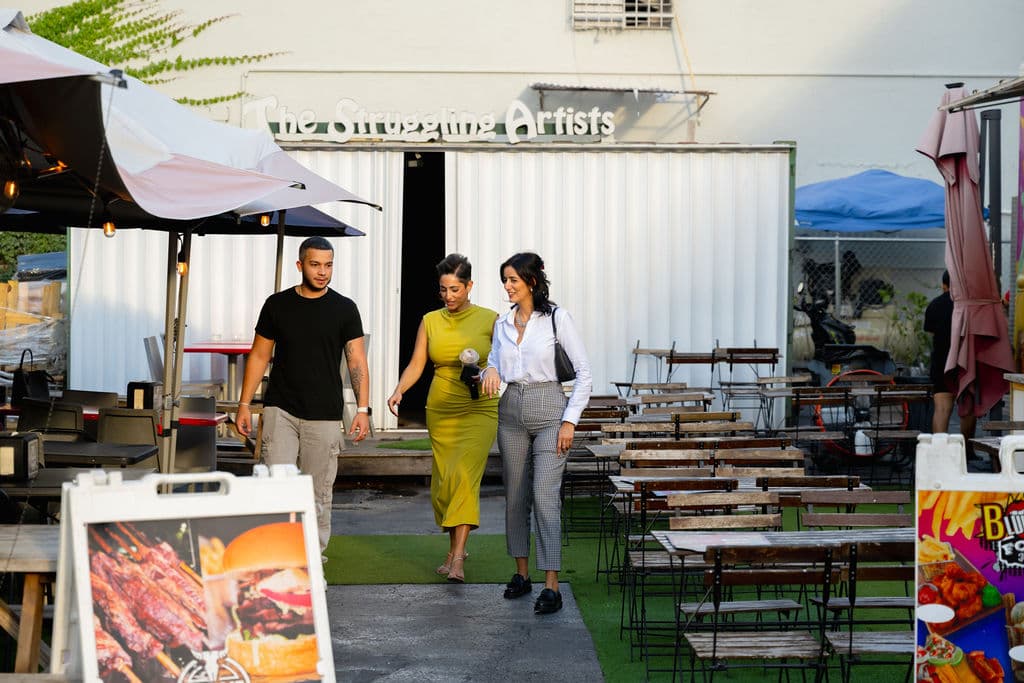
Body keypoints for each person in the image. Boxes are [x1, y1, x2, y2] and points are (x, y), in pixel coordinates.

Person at [235, 236, 370, 556]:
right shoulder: (277, 305)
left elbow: (357, 360)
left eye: (328, 265)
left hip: (324, 413)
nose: (323, 272)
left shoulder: (344, 309)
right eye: (315, 264)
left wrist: (363, 409)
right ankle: (276, 554)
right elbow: (258, 356)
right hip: (281, 409)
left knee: (318, 492)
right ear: (300, 265)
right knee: (275, 485)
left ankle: (311, 555)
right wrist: (244, 404)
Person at [480, 252, 592, 615]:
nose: (507, 287)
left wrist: (570, 421)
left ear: (531, 281)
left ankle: (552, 585)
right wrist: (488, 373)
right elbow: (494, 362)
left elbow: (584, 373)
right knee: (514, 496)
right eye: (505, 280)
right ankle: (521, 574)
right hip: (510, 407)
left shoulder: (558, 319)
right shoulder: (502, 323)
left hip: (549, 409)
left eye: (512, 280)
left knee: (544, 496)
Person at [386, 254, 498, 583]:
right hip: (441, 408)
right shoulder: (430, 320)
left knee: (464, 478)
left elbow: (507, 359)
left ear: (470, 286)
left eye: (455, 290)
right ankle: (452, 551)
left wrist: (491, 369)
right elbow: (417, 363)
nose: (448, 296)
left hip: (479, 408)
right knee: (445, 485)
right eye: (443, 290)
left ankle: (459, 558)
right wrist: (399, 390)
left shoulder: (491, 320)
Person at [924, 270, 977, 449]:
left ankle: (940, 451)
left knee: (941, 408)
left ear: (944, 285)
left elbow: (930, 331)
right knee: (967, 408)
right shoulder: (970, 306)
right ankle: (966, 451)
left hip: (942, 362)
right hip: (966, 361)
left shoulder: (934, 305)